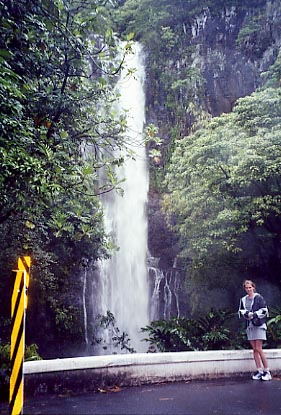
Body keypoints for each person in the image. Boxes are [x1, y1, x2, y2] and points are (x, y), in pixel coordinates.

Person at [238, 279, 271, 381]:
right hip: (250, 326)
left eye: (250, 287)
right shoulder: (243, 299)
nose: (248, 289)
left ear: (253, 287)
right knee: (254, 350)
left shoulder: (259, 297)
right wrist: (246, 314)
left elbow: (264, 310)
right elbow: (240, 310)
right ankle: (259, 371)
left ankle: (267, 371)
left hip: (259, 325)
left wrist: (255, 314)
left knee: (259, 348)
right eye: (246, 288)